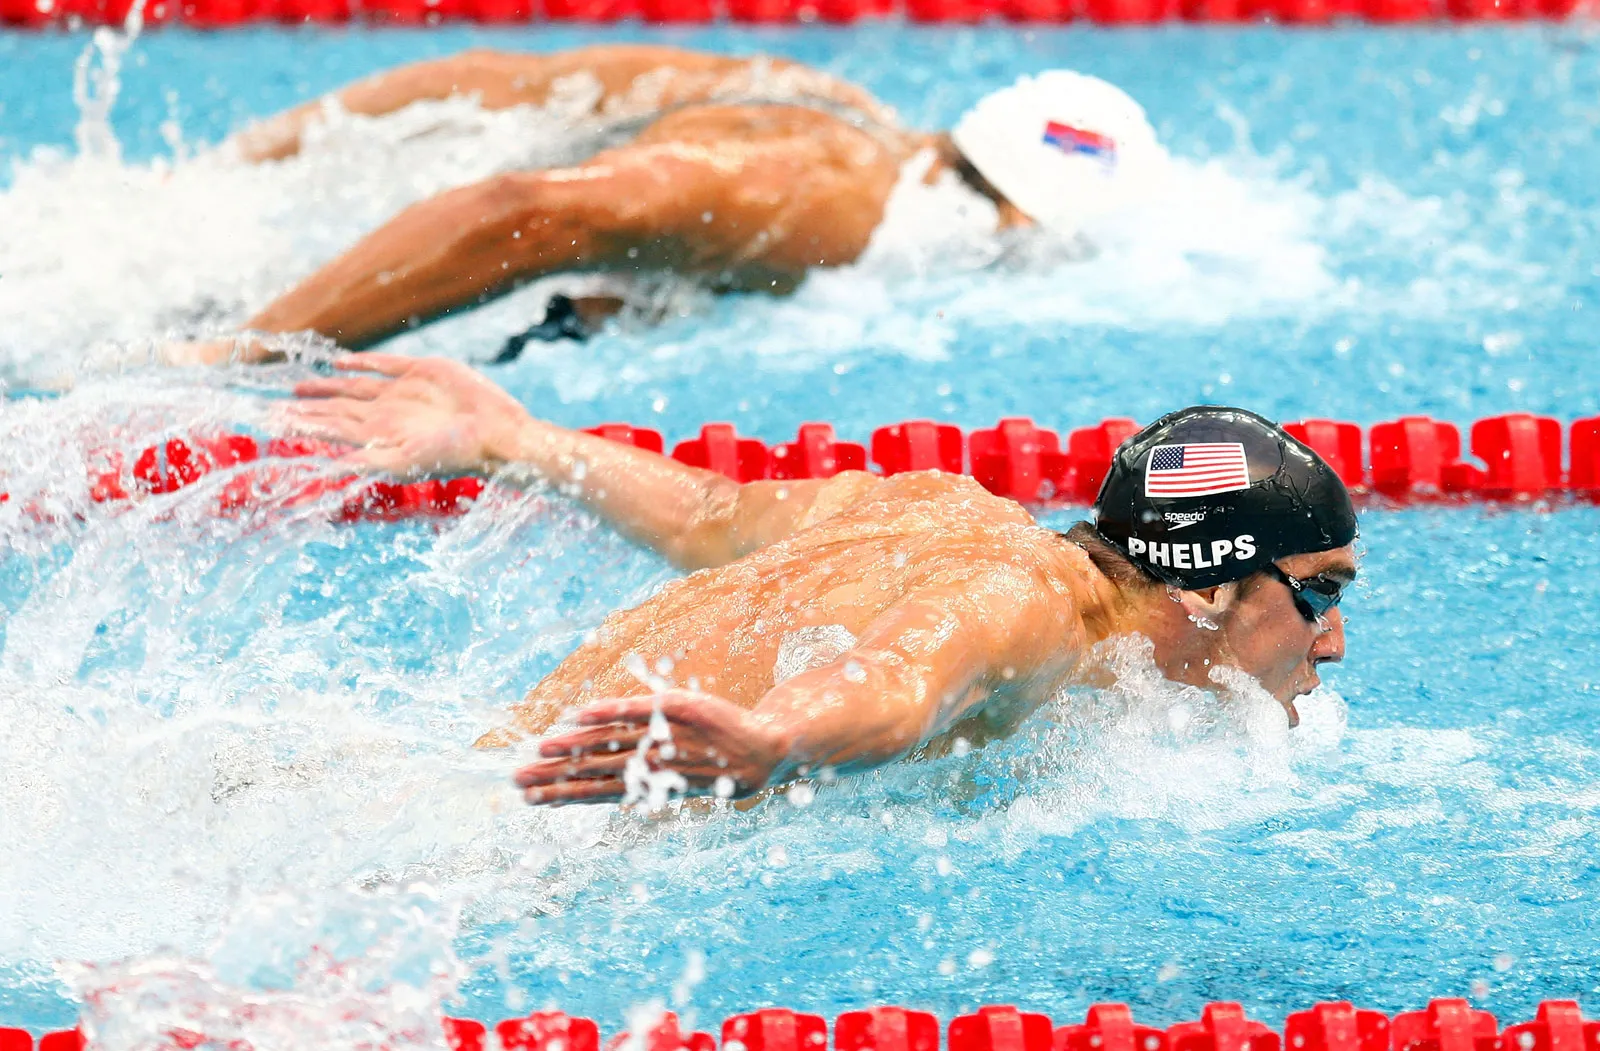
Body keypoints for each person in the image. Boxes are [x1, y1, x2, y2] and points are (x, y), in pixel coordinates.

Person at [283, 354, 1358, 807]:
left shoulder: (935, 504)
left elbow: (712, 514)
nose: (1331, 639)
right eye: (1318, 590)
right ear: (1207, 586)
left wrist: (514, 438)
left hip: (436, 781)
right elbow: (899, 678)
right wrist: (776, 738)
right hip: (522, 850)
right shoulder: (1031, 605)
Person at [182, 45, 1170, 364]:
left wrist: (227, 169)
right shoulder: (837, 204)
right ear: (1018, 221)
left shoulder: (830, 101)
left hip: (246, 233)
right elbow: (530, 211)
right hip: (302, 291)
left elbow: (491, 82)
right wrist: (244, 355)